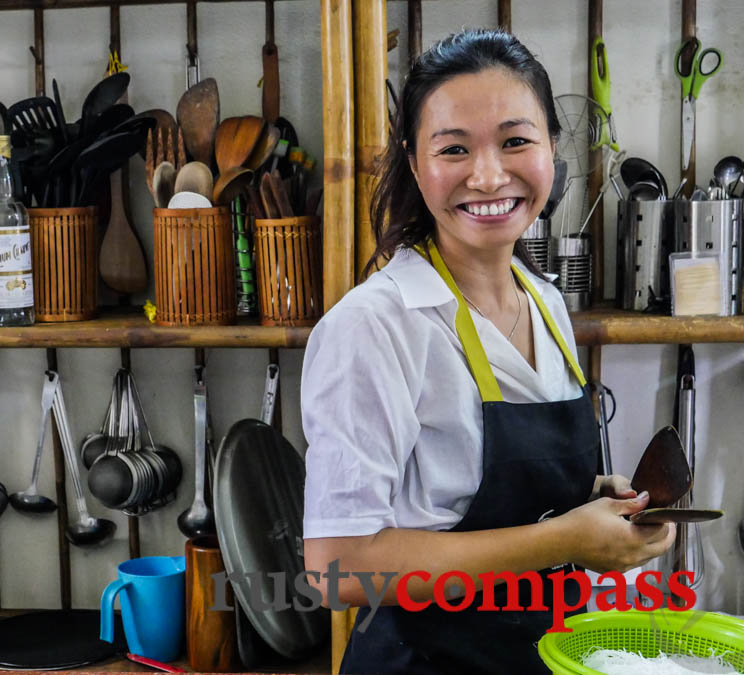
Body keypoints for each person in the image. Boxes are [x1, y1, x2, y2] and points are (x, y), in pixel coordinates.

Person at [301, 28, 675, 674]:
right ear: (417, 167)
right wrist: (562, 538)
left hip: (547, 657)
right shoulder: (376, 325)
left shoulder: (548, 304)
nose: (488, 174)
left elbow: (462, 486)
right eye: (454, 148)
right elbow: (338, 566)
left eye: (515, 140)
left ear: (551, 150)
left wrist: (590, 496)